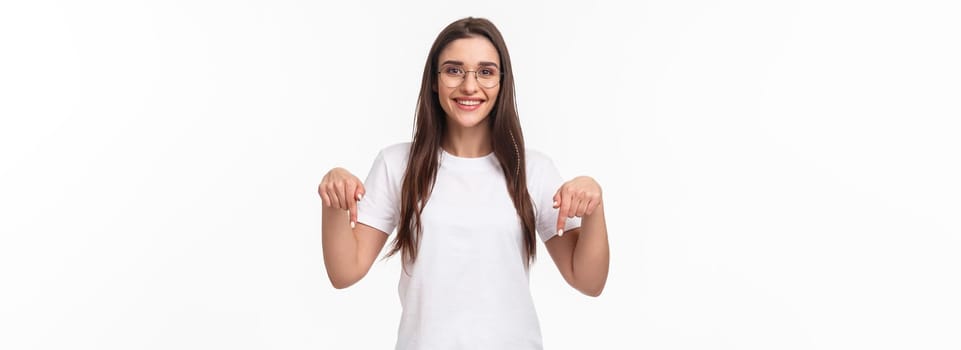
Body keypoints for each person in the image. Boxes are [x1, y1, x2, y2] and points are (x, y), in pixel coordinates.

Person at [318, 17, 610, 350]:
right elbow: (344, 272)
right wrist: (334, 201)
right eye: (454, 70)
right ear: (434, 80)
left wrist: (594, 209)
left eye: (485, 72)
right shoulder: (397, 165)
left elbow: (588, 281)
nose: (470, 86)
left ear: (502, 82)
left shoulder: (532, 170)